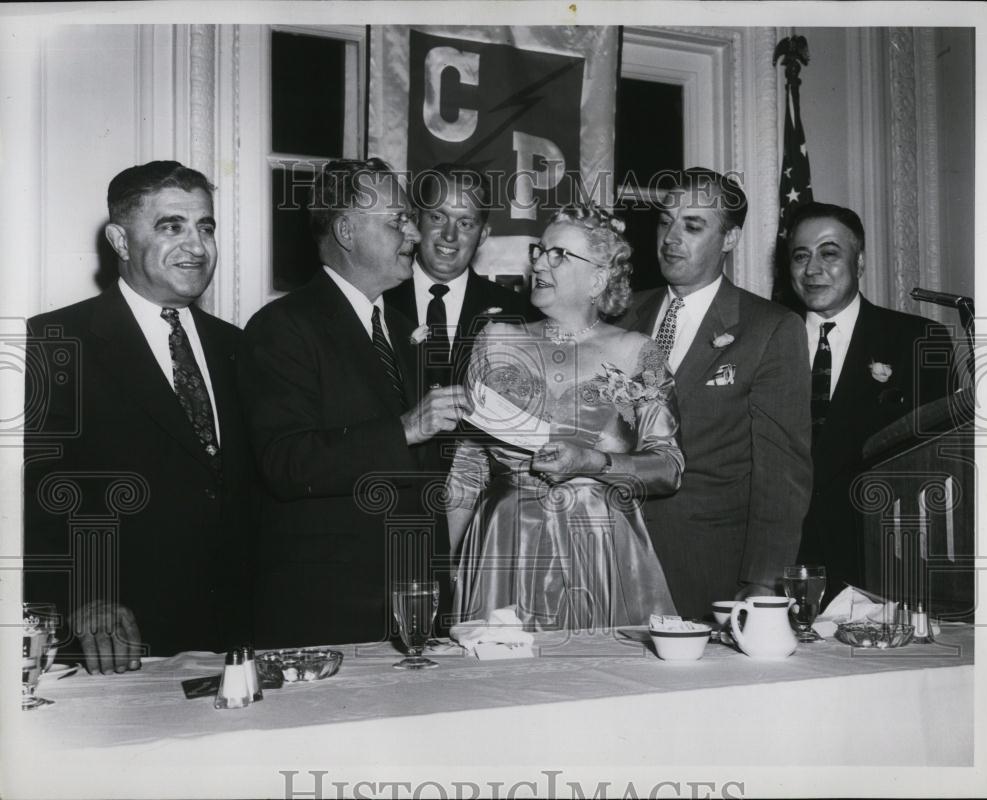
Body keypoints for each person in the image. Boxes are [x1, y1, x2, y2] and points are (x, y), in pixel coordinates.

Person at [23, 161, 256, 671]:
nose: (196, 246)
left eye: (206, 227)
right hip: (117, 641)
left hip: (236, 637)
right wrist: (84, 597)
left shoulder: (238, 347)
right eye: (172, 226)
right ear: (121, 241)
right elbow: (32, 497)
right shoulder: (55, 343)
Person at [240, 158, 469, 647]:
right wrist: (404, 429)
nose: (415, 233)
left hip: (414, 600)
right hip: (327, 610)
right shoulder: (282, 328)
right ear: (345, 230)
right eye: (397, 221)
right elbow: (286, 462)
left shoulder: (408, 330)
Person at [447, 203, 683, 630]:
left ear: (597, 277)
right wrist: (450, 567)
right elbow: (467, 467)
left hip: (600, 547)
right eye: (539, 250)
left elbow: (668, 467)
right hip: (504, 545)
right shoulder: (496, 339)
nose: (538, 261)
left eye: (558, 255)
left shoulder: (638, 353)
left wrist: (593, 463)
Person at [616, 168, 812, 619]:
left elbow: (782, 474)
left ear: (730, 239)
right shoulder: (623, 314)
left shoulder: (769, 329)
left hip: (705, 567)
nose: (671, 237)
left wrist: (763, 580)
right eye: (666, 221)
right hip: (612, 553)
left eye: (693, 225)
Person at [788, 202, 955, 596]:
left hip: (882, 565)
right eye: (800, 256)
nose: (812, 269)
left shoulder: (916, 340)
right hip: (787, 566)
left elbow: (938, 465)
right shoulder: (765, 337)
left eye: (829, 254)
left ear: (859, 263)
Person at [384, 163, 536, 395]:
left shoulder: (519, 313)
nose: (449, 235)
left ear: (482, 235)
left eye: (465, 224)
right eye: (437, 217)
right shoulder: (378, 297)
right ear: (417, 219)